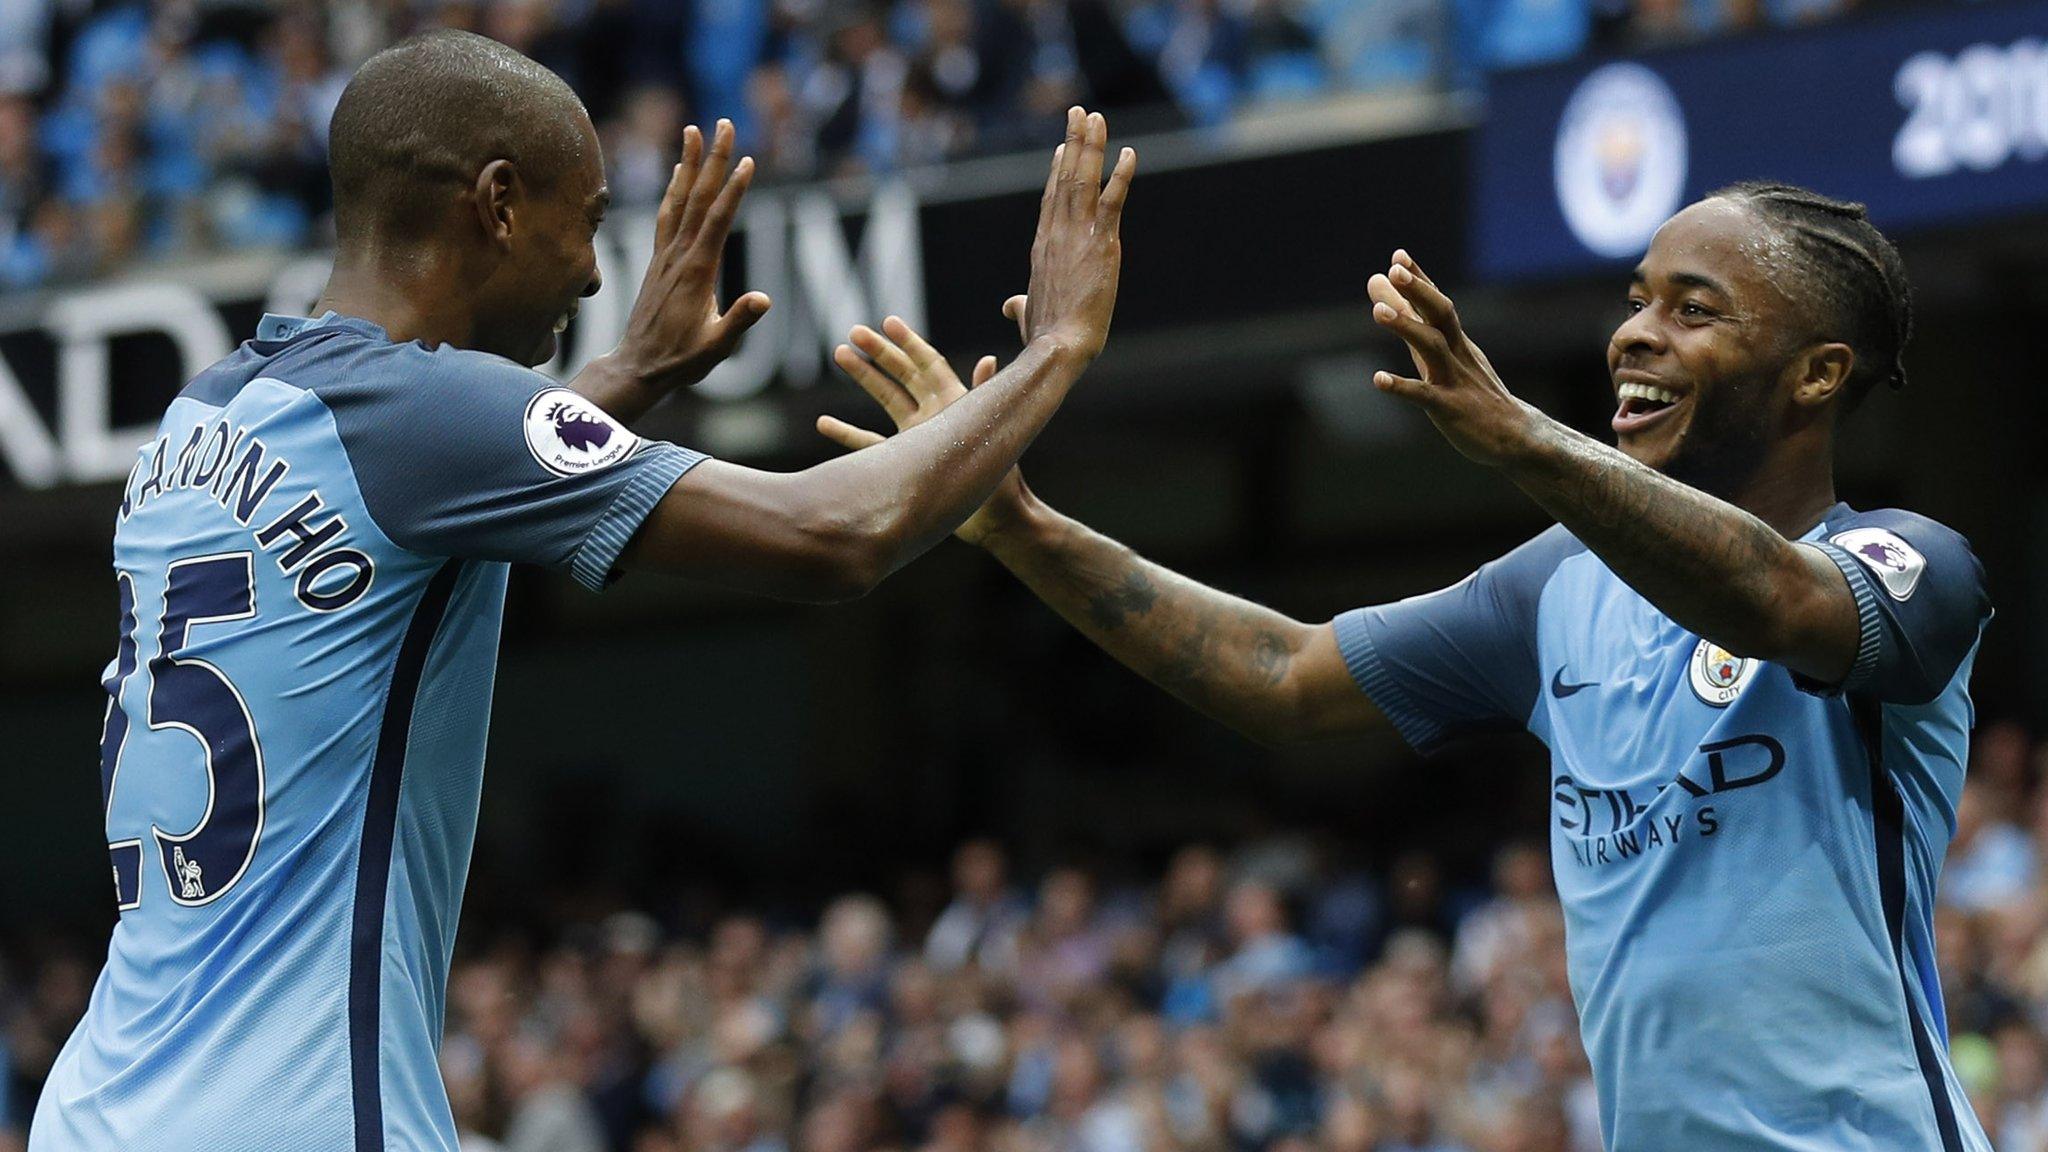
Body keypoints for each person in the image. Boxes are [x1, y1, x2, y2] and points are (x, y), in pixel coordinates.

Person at [34, 30, 1136, 1152]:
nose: (596, 272)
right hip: (293, 1120)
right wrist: (1056, 348)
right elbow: (835, 536)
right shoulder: (423, 416)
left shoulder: (206, 416)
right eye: (589, 219)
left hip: (102, 1104)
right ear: (498, 202)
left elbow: (429, 492)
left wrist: (631, 379)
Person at [819, 183, 1994, 1149]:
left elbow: (1773, 603)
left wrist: (1524, 438)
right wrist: (1022, 528)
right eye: (1636, 299)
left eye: (1694, 311)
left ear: (1815, 375)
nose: (1635, 332)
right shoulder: (1556, 589)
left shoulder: (1908, 569)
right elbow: (1282, 675)